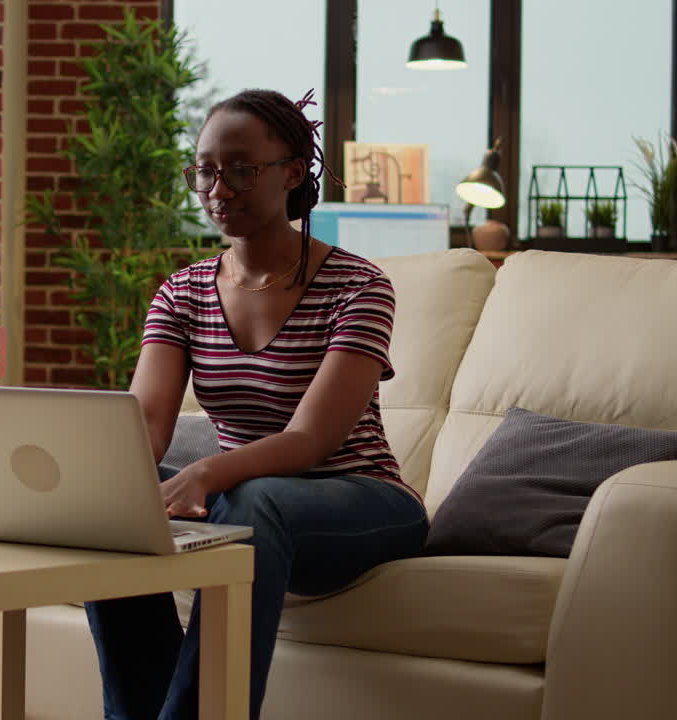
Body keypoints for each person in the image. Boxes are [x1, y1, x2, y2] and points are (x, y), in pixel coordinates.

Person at [83, 88, 430, 720]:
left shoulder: (358, 286)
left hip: (361, 500)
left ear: (293, 173)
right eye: (206, 171)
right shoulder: (183, 292)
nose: (220, 187)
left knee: (251, 502)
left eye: (241, 169)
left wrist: (207, 473)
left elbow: (310, 441)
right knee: (114, 500)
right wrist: (97, 482)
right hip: (246, 500)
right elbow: (147, 428)